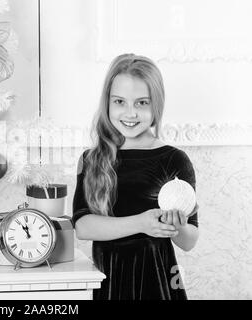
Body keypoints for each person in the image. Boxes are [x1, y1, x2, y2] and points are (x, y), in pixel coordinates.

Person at [72, 53, 199, 300]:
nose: (130, 113)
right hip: (108, 281)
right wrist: (142, 223)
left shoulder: (174, 160)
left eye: (142, 103)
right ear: (107, 102)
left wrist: (177, 225)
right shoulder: (91, 159)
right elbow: (83, 226)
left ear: (157, 105)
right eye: (120, 101)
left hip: (158, 282)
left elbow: (189, 241)